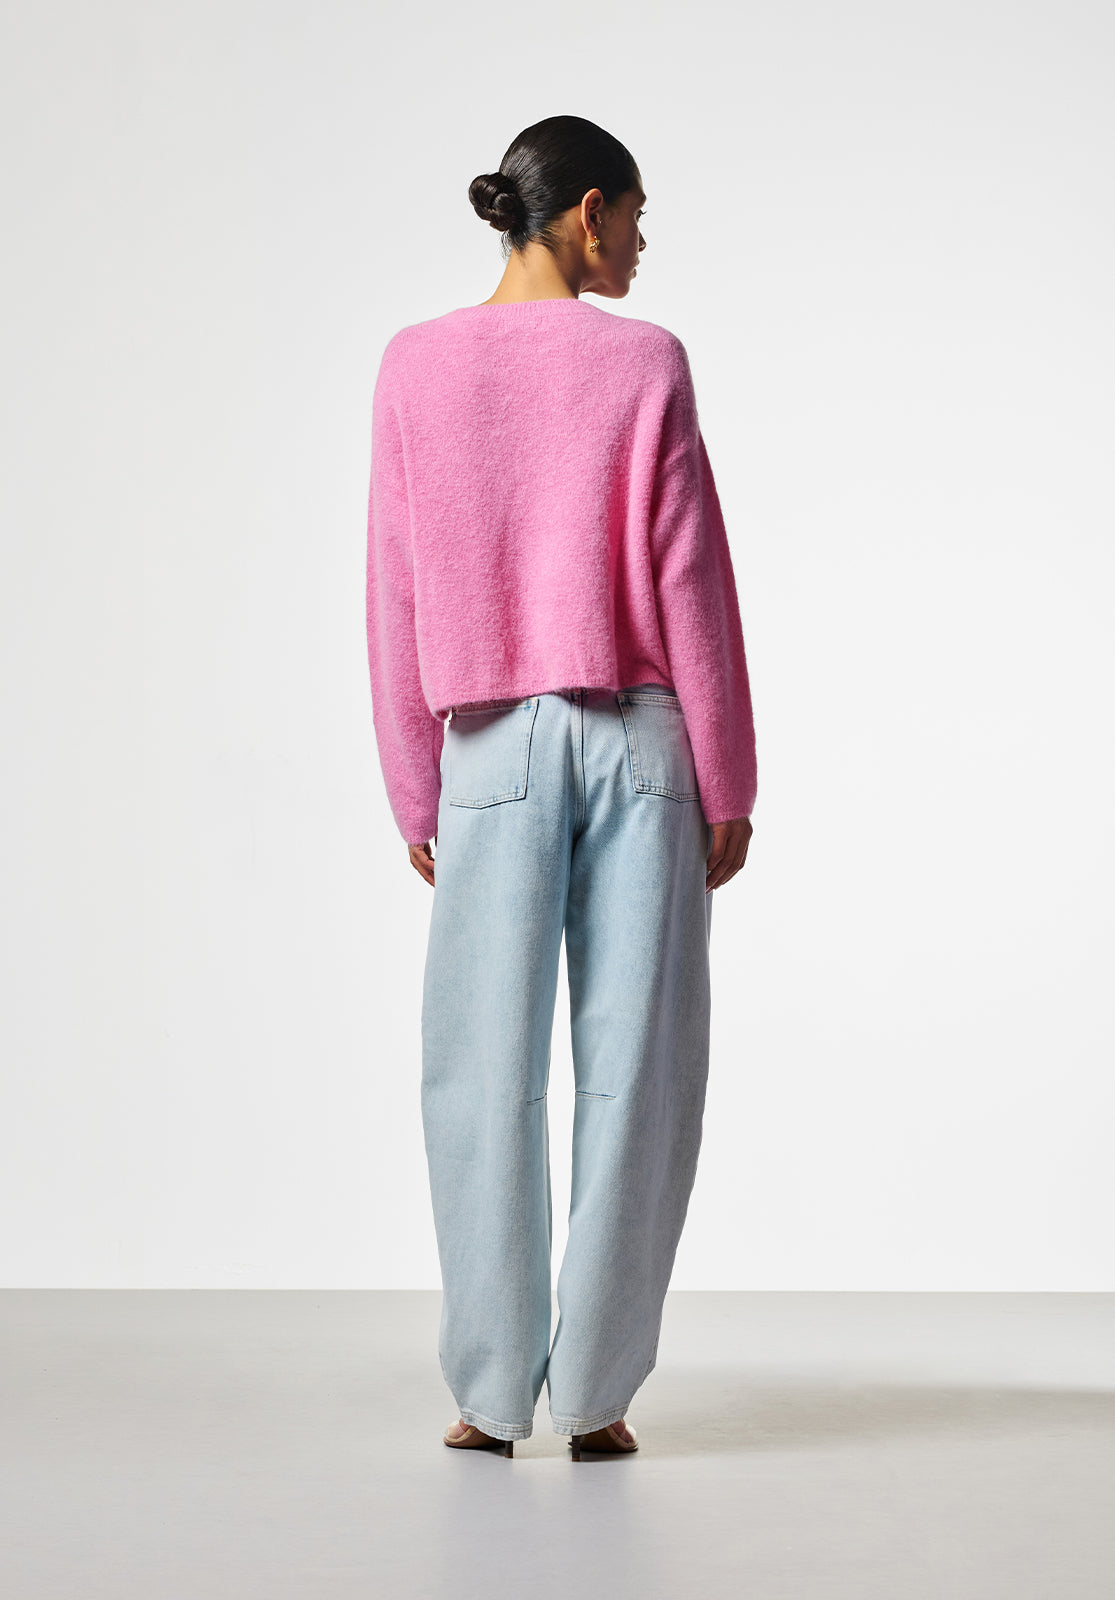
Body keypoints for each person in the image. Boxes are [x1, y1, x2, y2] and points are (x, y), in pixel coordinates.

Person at [365, 115, 757, 1460]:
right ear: (588, 212)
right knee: (637, 1070)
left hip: (485, 748)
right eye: (636, 216)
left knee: (478, 1071)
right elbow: (690, 578)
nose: (642, 244)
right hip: (640, 739)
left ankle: (489, 1397)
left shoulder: (415, 363)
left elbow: (395, 585)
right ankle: (594, 1397)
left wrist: (414, 785)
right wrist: (729, 773)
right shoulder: (645, 361)